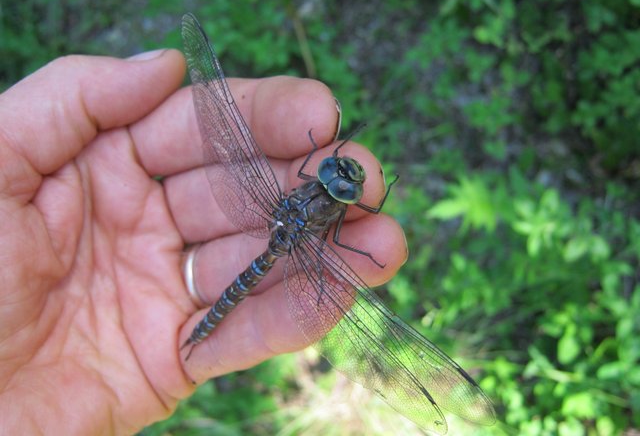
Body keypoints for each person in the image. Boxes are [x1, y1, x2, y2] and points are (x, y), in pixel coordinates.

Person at [0, 49, 406, 434]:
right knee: (368, 253)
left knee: (371, 250)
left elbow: (309, 179)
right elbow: (345, 237)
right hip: (281, 245)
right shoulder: (331, 208)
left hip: (278, 238)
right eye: (338, 175)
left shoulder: (309, 185)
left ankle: (201, 332)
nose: (343, 179)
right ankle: (201, 331)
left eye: (347, 185)